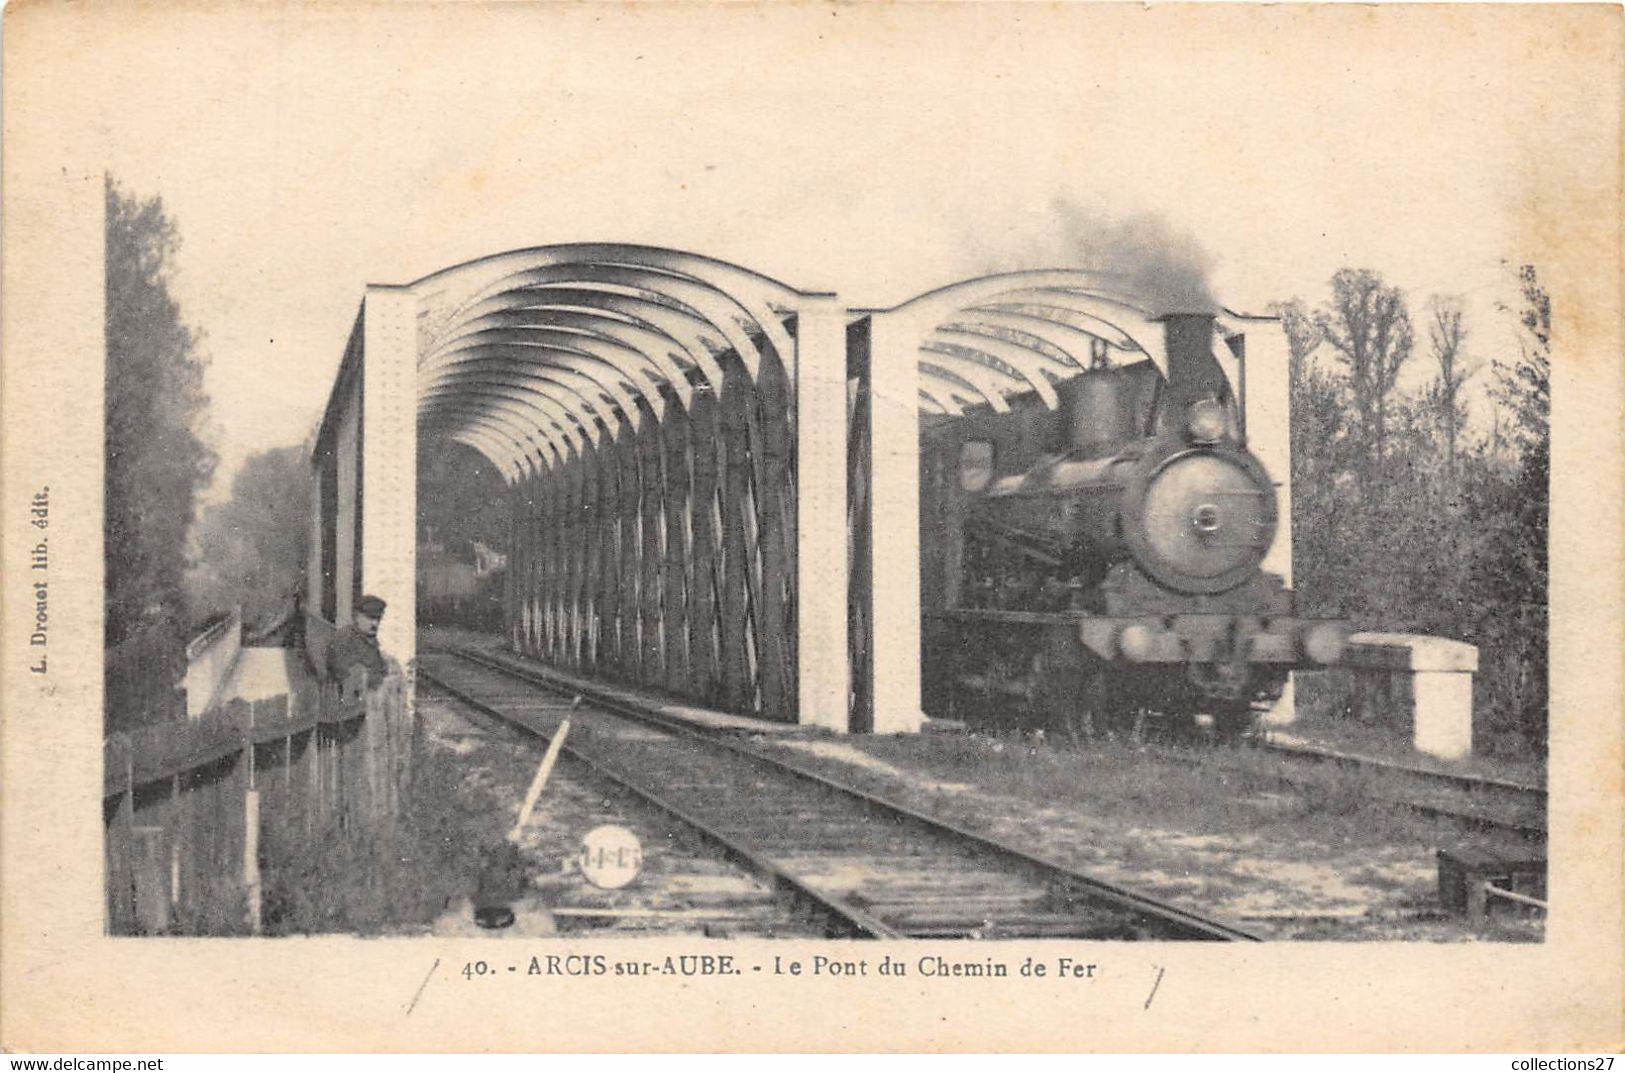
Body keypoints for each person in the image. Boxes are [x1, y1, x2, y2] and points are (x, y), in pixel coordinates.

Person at [327, 594, 391, 690]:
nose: (375, 624)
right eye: (370, 618)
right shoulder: (344, 639)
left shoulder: (370, 642)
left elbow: (381, 671)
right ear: (357, 617)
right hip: (347, 699)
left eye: (378, 619)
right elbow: (344, 675)